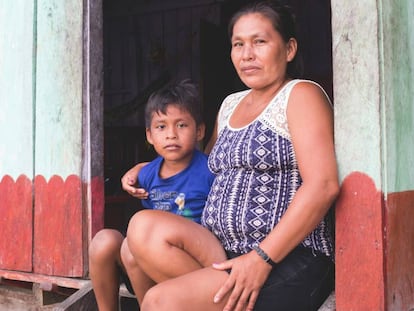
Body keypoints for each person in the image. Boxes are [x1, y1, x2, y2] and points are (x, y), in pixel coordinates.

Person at [121, 1, 339, 310]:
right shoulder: (230, 105)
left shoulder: (301, 95)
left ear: (289, 49)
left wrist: (261, 258)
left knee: (160, 301)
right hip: (224, 251)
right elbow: (200, 166)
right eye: (238, 44)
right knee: (139, 231)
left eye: (259, 42)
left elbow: (323, 185)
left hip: (287, 257)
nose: (247, 54)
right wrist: (147, 167)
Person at [89, 79, 225, 311]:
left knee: (130, 251)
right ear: (150, 135)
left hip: (189, 262)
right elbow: (137, 178)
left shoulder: (209, 171)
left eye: (181, 125)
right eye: (161, 127)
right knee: (104, 242)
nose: (171, 135)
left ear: (199, 130)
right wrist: (131, 176)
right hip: (149, 261)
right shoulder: (148, 173)